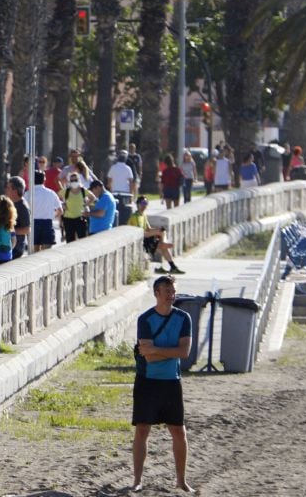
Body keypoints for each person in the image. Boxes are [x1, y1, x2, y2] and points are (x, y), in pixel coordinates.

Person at [132, 275, 195, 494]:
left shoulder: (184, 318)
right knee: (142, 430)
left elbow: (184, 352)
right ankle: (137, 480)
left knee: (178, 431)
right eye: (167, 291)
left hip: (172, 381)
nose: (171, 295)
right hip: (147, 380)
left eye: (173, 291)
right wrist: (166, 352)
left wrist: (156, 350)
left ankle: (181, 480)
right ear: (156, 293)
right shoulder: (145, 319)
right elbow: (147, 358)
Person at [128, 197, 184, 274]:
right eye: (143, 203)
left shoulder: (143, 215)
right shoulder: (135, 216)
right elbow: (140, 233)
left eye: (146, 204)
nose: (144, 206)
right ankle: (163, 245)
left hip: (146, 238)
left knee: (162, 235)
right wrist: (157, 232)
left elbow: (149, 229)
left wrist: (158, 230)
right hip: (141, 241)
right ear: (138, 204)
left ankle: (172, 267)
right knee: (162, 241)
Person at [30, 170, 63, 251]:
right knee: (46, 252)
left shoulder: (28, 193)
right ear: (44, 180)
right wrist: (52, 216)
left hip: (34, 223)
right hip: (47, 223)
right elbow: (60, 210)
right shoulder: (51, 193)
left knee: (35, 252)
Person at [58, 173, 91, 242]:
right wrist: (62, 204)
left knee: (83, 240)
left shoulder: (83, 190)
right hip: (68, 219)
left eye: (75, 180)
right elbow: (56, 198)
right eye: (72, 180)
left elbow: (93, 197)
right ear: (69, 181)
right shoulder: (66, 191)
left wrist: (86, 204)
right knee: (70, 241)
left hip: (80, 218)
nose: (74, 182)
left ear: (79, 180)